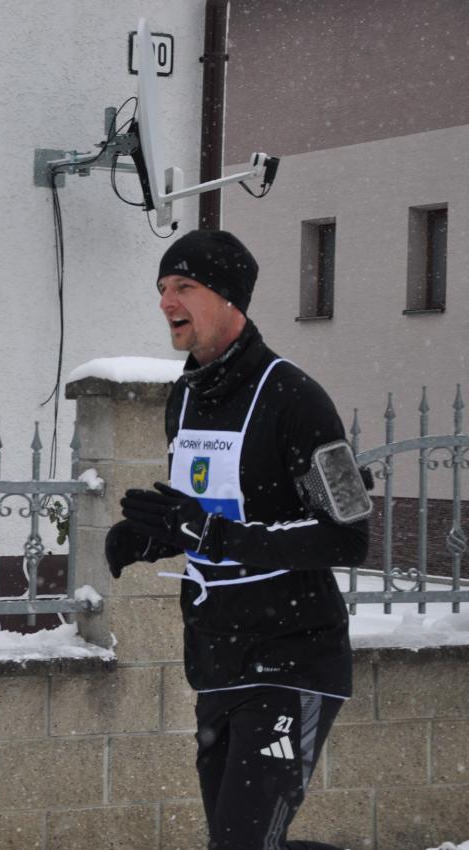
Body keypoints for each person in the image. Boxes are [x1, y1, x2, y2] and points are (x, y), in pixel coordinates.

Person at [104, 230, 370, 850]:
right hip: (218, 659)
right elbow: (205, 510)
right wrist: (153, 538)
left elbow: (348, 536)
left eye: (184, 287)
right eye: (162, 288)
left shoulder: (296, 400)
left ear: (229, 298)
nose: (167, 302)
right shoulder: (186, 398)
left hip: (292, 658)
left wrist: (212, 533)